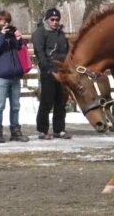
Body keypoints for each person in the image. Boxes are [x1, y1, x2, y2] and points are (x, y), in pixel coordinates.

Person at [0, 10, 29, 143]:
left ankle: (15, 131)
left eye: (8, 22)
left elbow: (20, 49)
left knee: (15, 106)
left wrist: (19, 39)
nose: (6, 24)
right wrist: (2, 37)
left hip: (15, 76)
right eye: (3, 21)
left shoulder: (11, 37)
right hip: (1, 76)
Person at [32, 8, 71, 140]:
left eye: (57, 20)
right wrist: (45, 67)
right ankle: (42, 130)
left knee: (61, 101)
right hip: (48, 70)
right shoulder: (40, 32)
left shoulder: (60, 33)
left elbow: (66, 50)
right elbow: (39, 51)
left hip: (61, 70)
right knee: (47, 101)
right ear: (47, 19)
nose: (55, 22)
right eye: (52, 20)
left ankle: (59, 129)